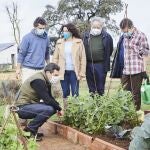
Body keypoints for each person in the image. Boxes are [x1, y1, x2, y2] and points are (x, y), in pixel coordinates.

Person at [16, 63, 63, 141]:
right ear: (48, 72)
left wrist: (58, 107)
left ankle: (32, 130)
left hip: (29, 105)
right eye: (55, 75)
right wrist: (60, 109)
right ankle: (29, 131)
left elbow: (50, 97)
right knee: (49, 109)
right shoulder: (38, 80)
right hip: (21, 108)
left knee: (53, 108)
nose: (56, 78)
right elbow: (47, 100)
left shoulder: (45, 79)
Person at [52, 23, 86, 109]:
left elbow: (83, 58)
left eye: (66, 31)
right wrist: (54, 71)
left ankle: (76, 111)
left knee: (75, 92)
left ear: (71, 31)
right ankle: (67, 112)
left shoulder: (79, 42)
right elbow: (55, 58)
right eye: (63, 31)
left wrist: (82, 72)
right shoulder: (59, 42)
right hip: (63, 72)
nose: (65, 33)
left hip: (75, 72)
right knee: (65, 92)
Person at [119, 18, 149, 110]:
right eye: (123, 31)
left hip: (137, 69)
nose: (125, 32)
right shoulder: (124, 36)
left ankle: (136, 113)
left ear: (131, 27)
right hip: (126, 69)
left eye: (126, 31)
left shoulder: (141, 35)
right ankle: (126, 113)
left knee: (135, 94)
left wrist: (144, 70)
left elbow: (146, 53)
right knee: (125, 93)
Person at [83, 17, 113, 96]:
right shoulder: (85, 36)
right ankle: (93, 103)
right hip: (88, 64)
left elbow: (110, 50)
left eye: (98, 27)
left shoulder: (107, 36)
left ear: (101, 27)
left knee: (100, 86)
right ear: (91, 26)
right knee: (91, 87)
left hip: (101, 64)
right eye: (94, 27)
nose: (96, 29)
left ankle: (100, 104)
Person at [16, 17, 50, 83]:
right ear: (35, 27)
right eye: (40, 28)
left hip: (41, 70)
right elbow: (21, 54)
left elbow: (47, 54)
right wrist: (18, 69)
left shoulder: (46, 38)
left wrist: (49, 67)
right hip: (28, 70)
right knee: (27, 91)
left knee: (39, 91)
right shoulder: (27, 38)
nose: (42, 30)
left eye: (43, 28)